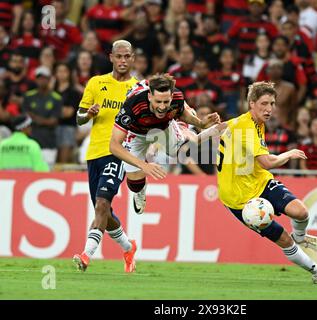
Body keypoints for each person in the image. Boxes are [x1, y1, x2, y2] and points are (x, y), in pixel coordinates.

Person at [217, 81, 317, 286]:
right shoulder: (246, 127)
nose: (269, 109)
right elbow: (267, 162)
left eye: (272, 103)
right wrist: (289, 153)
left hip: (259, 181)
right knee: (284, 240)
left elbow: (220, 128)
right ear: (251, 103)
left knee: (301, 212)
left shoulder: (253, 122)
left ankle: (301, 236)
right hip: (240, 199)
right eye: (264, 104)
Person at [109, 74, 223, 215]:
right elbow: (114, 146)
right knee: (135, 185)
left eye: (166, 102)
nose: (162, 107)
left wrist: (200, 123)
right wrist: (144, 165)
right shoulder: (133, 106)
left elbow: (182, 112)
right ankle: (140, 191)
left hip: (163, 127)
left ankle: (183, 129)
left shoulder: (176, 97)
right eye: (158, 102)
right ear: (150, 96)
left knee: (181, 149)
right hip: (136, 134)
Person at [72, 40, 138, 273]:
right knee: (104, 211)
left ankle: (86, 255)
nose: (122, 61)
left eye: (127, 56)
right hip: (94, 153)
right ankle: (128, 247)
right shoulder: (96, 82)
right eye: (118, 56)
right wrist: (88, 114)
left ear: (132, 58)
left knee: (101, 204)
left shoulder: (138, 89)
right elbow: (78, 118)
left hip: (118, 153)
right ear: (111, 57)